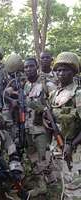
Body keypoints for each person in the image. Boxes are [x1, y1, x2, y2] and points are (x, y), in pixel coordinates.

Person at [46, 52, 81, 199]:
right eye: (58, 70)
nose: (61, 73)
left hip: (74, 147)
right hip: (57, 145)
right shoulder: (54, 94)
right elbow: (50, 119)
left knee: (74, 186)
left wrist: (71, 144)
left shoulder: (78, 94)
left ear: (73, 72)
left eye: (65, 70)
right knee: (64, 180)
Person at [23, 57, 56, 197]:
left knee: (43, 157)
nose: (29, 69)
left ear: (37, 66)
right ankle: (41, 183)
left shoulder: (47, 84)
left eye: (31, 66)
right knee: (33, 157)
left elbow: (56, 107)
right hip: (28, 127)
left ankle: (48, 185)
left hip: (42, 129)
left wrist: (42, 111)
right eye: (26, 67)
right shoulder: (25, 86)